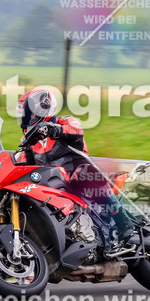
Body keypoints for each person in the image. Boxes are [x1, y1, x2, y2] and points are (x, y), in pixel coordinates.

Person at [15, 88, 135, 250]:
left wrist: (53, 130)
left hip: (78, 175)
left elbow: (76, 131)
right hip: (55, 186)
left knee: (84, 174)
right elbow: (24, 168)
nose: (29, 118)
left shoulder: (64, 122)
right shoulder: (28, 142)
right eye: (27, 115)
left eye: (32, 114)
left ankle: (122, 221)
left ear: (44, 108)